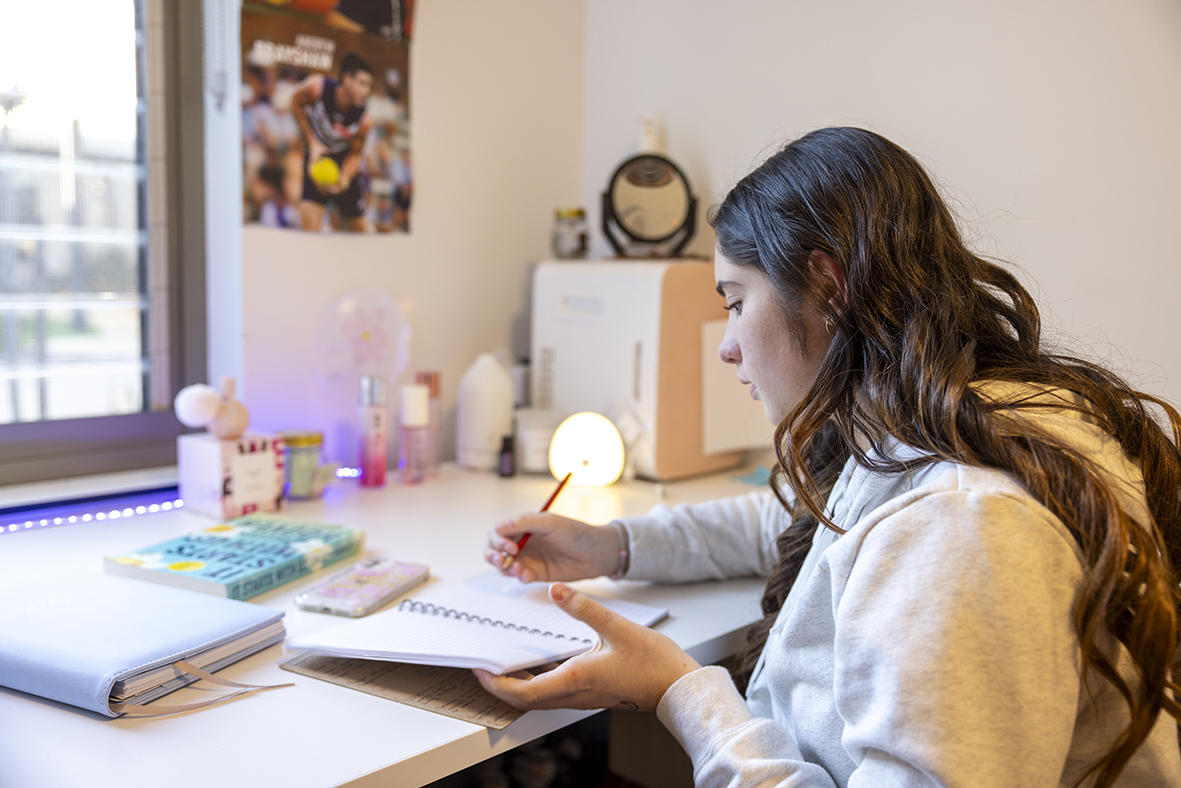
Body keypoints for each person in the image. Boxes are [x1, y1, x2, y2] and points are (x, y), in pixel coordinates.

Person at [480, 127, 1181, 787]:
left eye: (734, 300)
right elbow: (808, 523)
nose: (726, 346)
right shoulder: (956, 420)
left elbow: (898, 538)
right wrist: (613, 545)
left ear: (825, 286)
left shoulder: (962, 527)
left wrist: (680, 693)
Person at [291, 53, 374, 232]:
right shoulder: (317, 88)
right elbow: (295, 103)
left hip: (343, 161)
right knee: (309, 234)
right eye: (362, 83)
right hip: (316, 156)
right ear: (346, 80)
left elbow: (355, 154)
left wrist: (344, 180)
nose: (366, 91)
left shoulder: (364, 120)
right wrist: (312, 142)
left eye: (369, 85)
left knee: (363, 233)